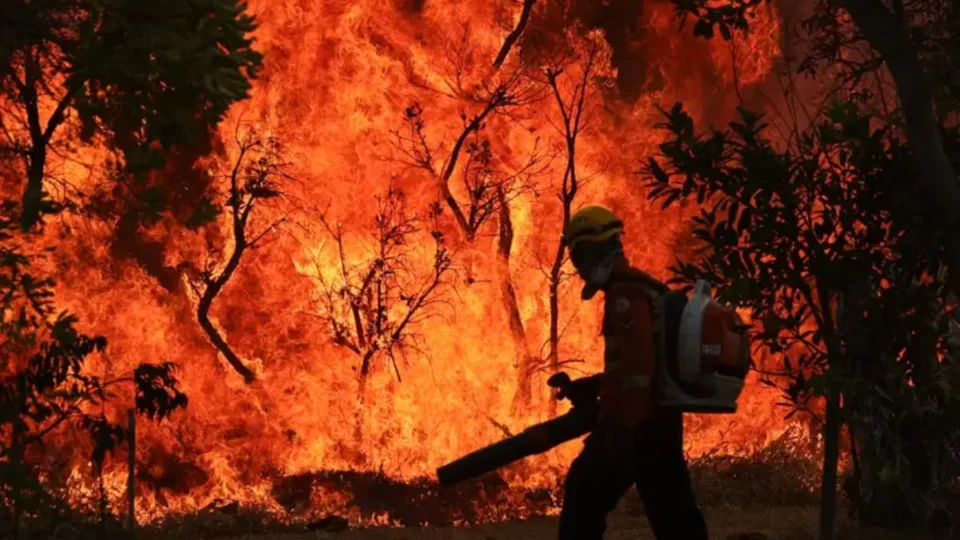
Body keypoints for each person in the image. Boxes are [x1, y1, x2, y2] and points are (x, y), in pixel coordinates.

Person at [557, 205, 709, 540]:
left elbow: (639, 370)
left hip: (636, 425)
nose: (579, 268)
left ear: (595, 252)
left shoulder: (625, 296)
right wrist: (591, 386)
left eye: (579, 257)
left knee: (583, 493)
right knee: (675, 516)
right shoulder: (638, 288)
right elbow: (631, 367)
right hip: (660, 420)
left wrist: (617, 428)